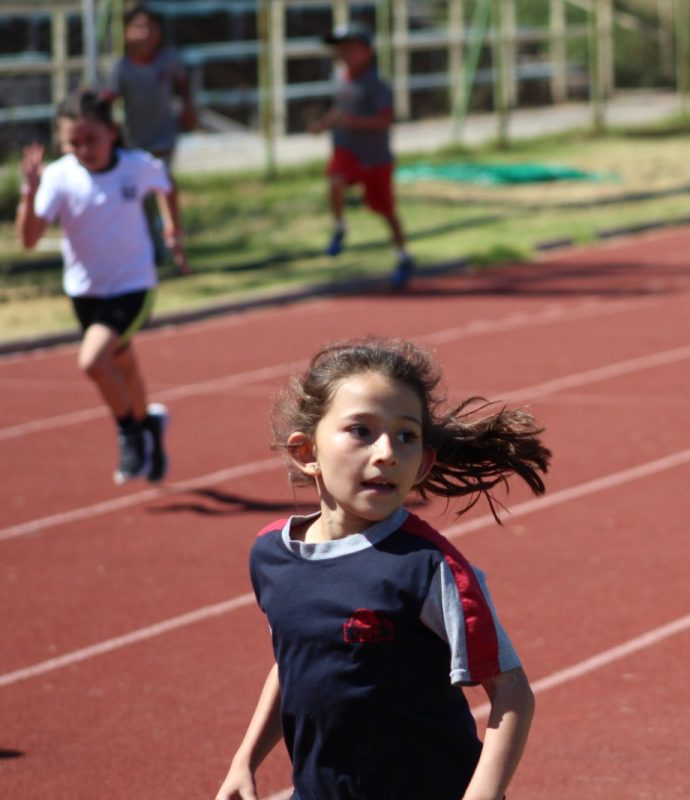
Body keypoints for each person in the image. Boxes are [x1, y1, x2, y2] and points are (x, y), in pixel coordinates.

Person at [215, 338, 549, 800]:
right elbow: (296, 662)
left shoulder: (430, 568)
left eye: (406, 435)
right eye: (361, 430)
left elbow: (512, 694)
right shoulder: (273, 555)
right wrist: (245, 760)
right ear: (306, 451)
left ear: (424, 463)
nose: (387, 451)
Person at [16, 88, 183, 485]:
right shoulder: (58, 176)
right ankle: (149, 427)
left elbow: (167, 184)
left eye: (91, 139)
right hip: (85, 291)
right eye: (73, 142)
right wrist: (30, 190)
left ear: (111, 132)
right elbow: (28, 238)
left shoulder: (134, 166)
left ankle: (129, 431)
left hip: (134, 286)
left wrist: (172, 227)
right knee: (121, 364)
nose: (83, 148)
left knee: (93, 360)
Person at [310, 22, 415, 290]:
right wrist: (323, 124)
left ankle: (403, 255)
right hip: (347, 149)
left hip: (375, 157)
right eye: (340, 49)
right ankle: (339, 227)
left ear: (368, 51)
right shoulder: (338, 78)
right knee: (335, 179)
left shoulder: (376, 84)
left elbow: (386, 119)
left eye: (350, 48)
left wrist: (354, 122)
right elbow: (339, 110)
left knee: (386, 211)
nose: (343, 54)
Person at [102, 4, 195, 269]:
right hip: (134, 142)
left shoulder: (169, 60)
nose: (145, 34)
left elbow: (183, 89)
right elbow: (109, 101)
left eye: (150, 28)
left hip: (164, 139)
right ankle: (153, 250)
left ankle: (175, 245)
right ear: (127, 32)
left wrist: (189, 112)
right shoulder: (121, 68)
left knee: (165, 187)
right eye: (138, 28)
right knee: (139, 200)